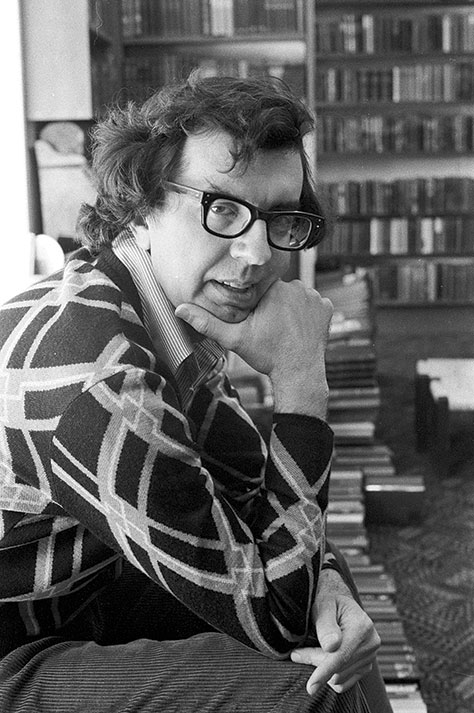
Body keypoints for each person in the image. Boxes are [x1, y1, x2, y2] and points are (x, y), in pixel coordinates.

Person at [0, 73, 392, 712]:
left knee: (325, 587)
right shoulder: (101, 374)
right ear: (143, 203)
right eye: (223, 209)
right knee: (310, 687)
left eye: (280, 218)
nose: (257, 253)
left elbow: (252, 502)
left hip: (82, 597)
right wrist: (300, 380)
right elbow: (274, 611)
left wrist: (323, 582)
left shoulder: (154, 308)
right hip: (14, 646)